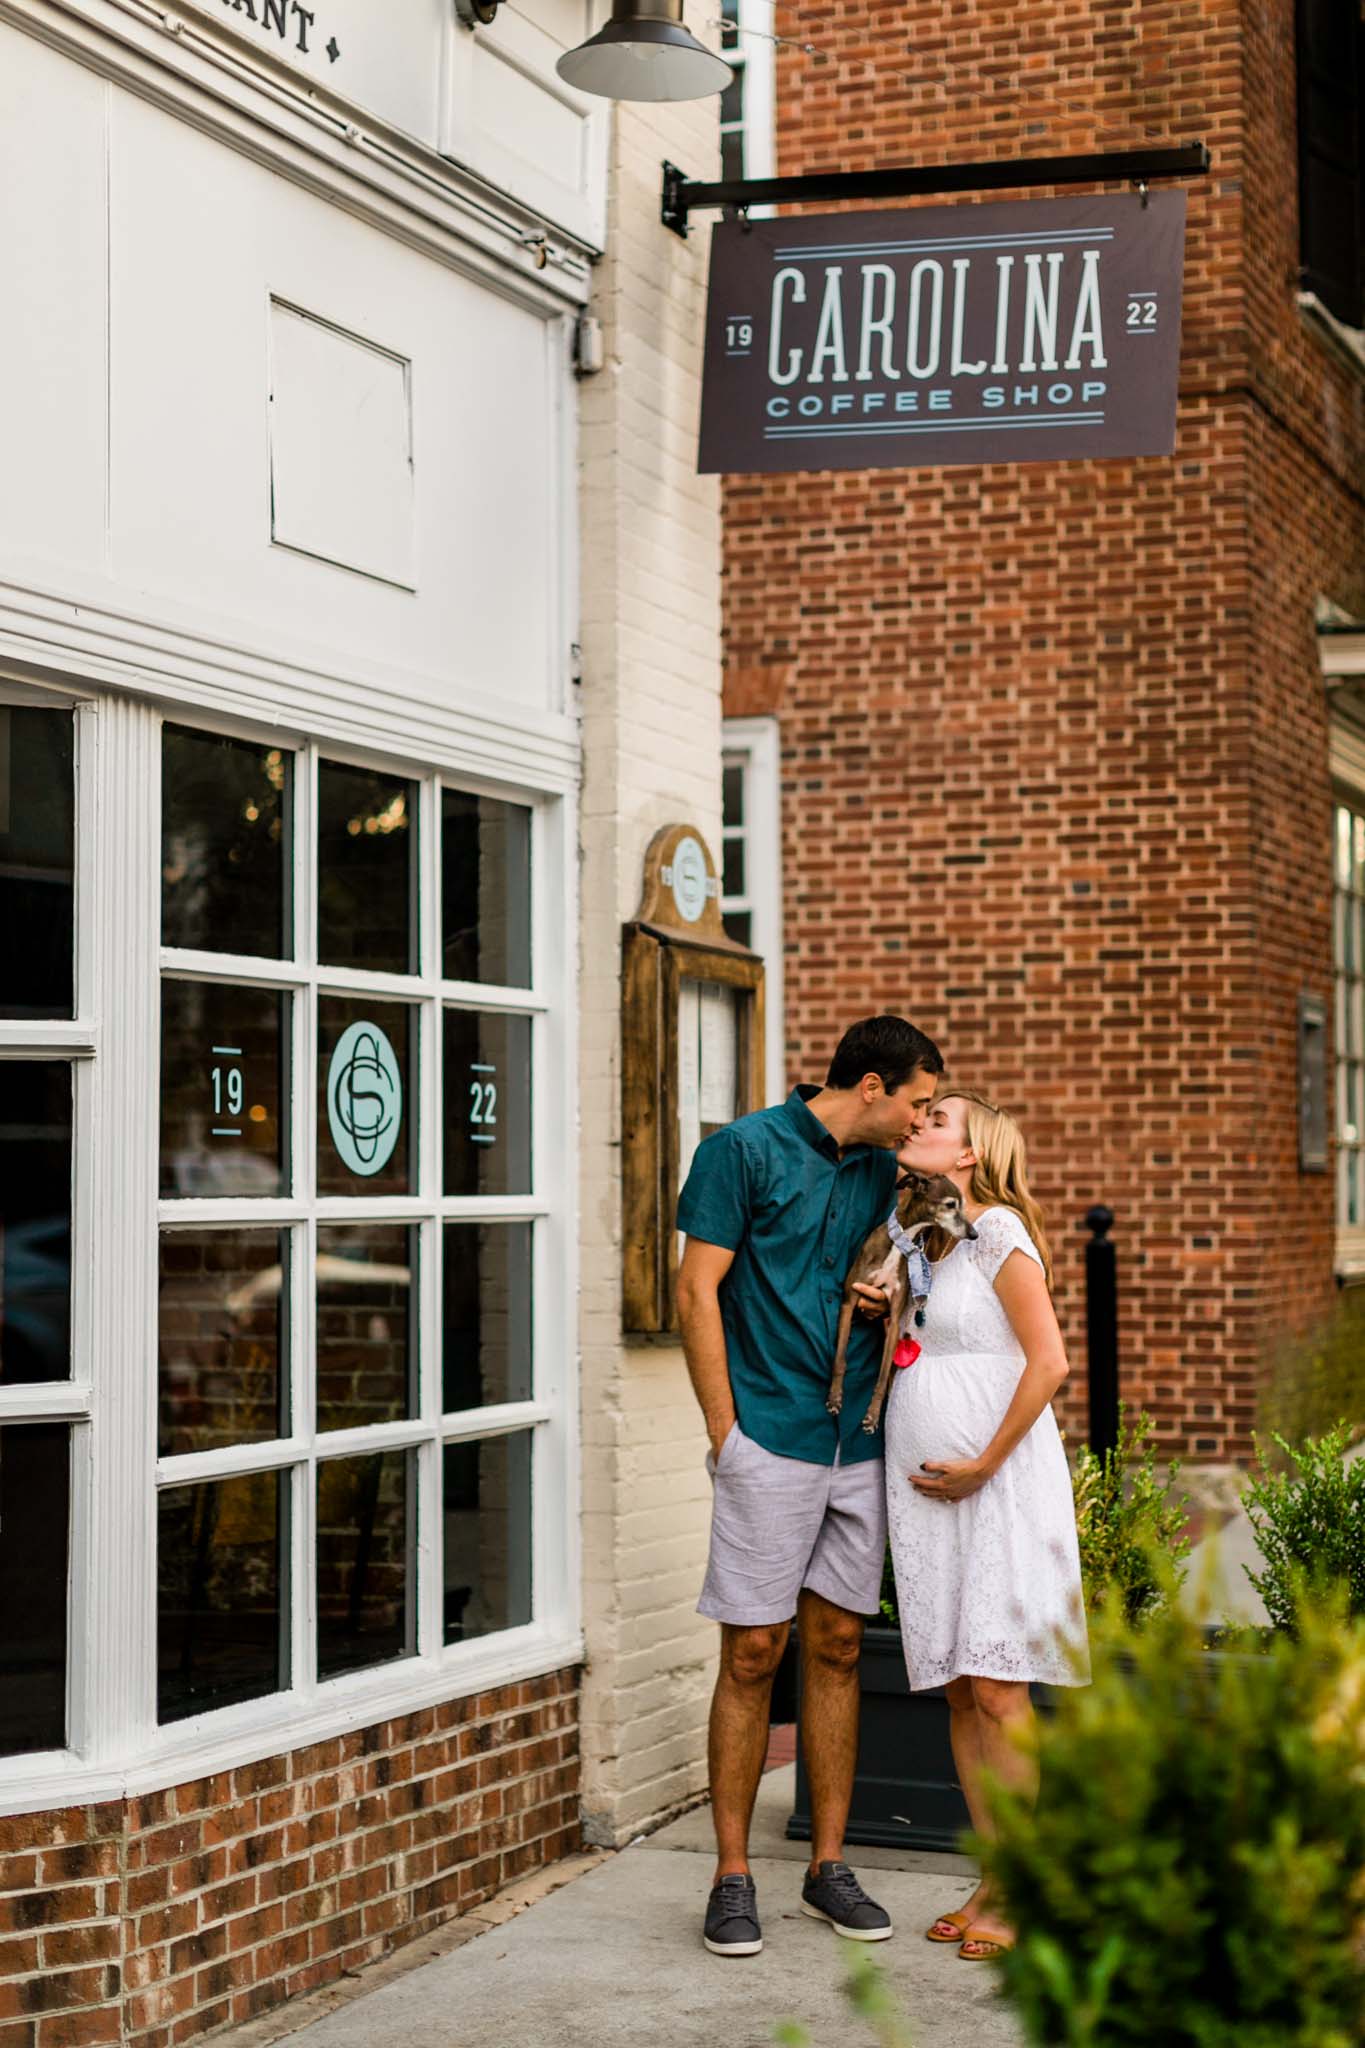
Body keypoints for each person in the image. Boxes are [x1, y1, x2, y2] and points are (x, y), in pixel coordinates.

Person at [676, 1015, 946, 1959]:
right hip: (770, 1437)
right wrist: (724, 1433)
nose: (921, 1121)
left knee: (835, 1644)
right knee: (754, 1651)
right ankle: (731, 1876)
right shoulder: (739, 1152)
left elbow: (905, 1274)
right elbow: (694, 1289)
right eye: (915, 1102)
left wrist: (886, 1293)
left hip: (859, 1441)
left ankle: (827, 1868)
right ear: (869, 1086)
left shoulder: (888, 1178)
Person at [878, 1087, 1089, 1962]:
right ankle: (992, 1870)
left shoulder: (1001, 1230)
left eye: (937, 1121)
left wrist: (983, 1463)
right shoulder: (932, 1237)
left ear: (970, 1154)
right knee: (962, 1687)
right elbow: (924, 1345)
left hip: (997, 1486)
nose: (918, 1125)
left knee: (999, 1688)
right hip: (932, 1495)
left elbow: (1049, 1363)